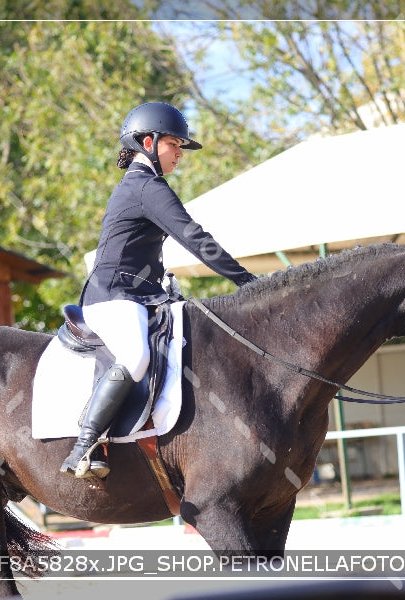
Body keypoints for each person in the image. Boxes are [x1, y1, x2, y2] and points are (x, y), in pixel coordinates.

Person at [60, 101, 257, 479]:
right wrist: (246, 281)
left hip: (143, 294)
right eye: (174, 144)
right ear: (148, 142)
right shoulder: (147, 187)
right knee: (135, 356)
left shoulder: (145, 186)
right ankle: (84, 446)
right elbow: (195, 238)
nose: (179, 153)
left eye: (180, 146)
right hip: (115, 295)